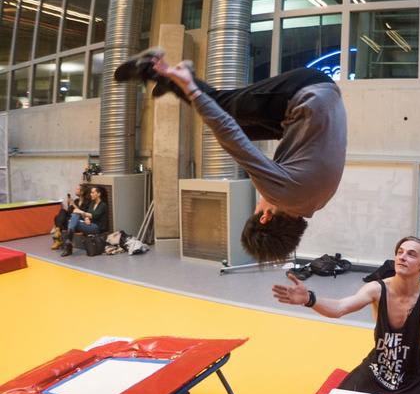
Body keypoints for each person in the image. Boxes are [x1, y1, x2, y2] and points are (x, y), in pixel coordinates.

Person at [114, 48, 348, 263]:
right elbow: (230, 136)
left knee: (230, 117)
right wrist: (192, 91)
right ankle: (156, 69)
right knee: (223, 110)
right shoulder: (282, 195)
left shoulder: (317, 202)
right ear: (265, 217)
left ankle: (177, 81)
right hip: (305, 91)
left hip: (317, 104)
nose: (259, 202)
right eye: (255, 210)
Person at [272, 236, 420, 394]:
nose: (402, 257)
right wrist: (309, 299)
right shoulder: (376, 289)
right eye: (400, 252)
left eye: (411, 254)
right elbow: (340, 308)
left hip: (418, 375)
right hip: (377, 370)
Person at [61, 187, 108, 257]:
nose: (91, 194)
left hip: (97, 227)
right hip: (89, 225)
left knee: (73, 220)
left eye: (93, 192)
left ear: (98, 194)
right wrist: (86, 218)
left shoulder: (103, 205)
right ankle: (69, 242)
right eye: (91, 192)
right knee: (75, 216)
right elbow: (87, 214)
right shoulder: (92, 203)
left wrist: (81, 212)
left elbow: (94, 215)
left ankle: (68, 245)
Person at [51, 183, 90, 250]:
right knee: (62, 211)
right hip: (71, 219)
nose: (75, 190)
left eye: (77, 189)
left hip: (78, 221)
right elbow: (69, 212)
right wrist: (69, 204)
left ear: (82, 192)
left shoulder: (87, 202)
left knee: (57, 218)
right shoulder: (76, 200)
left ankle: (57, 237)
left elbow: (83, 214)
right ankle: (57, 231)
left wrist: (73, 205)